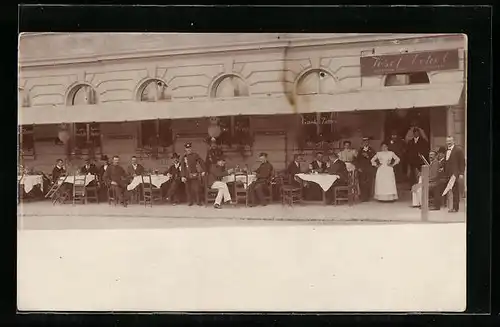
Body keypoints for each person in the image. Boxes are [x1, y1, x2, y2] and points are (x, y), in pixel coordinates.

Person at [444, 136, 465, 213]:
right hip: (448, 174)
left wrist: (461, 173)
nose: (448, 142)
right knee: (450, 190)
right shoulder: (446, 150)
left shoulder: (458, 150)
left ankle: (455, 208)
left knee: (455, 191)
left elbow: (462, 162)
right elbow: (447, 162)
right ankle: (451, 207)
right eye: (447, 141)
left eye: (450, 141)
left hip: (455, 174)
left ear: (454, 141)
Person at [355, 137, 376, 202]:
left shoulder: (372, 150)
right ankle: (363, 196)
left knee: (369, 182)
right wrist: (358, 167)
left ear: (368, 143)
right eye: (364, 142)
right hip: (361, 169)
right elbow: (356, 160)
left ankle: (368, 196)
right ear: (362, 143)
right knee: (361, 183)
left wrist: (368, 156)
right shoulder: (360, 150)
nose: (365, 143)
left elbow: (375, 159)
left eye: (367, 142)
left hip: (369, 169)